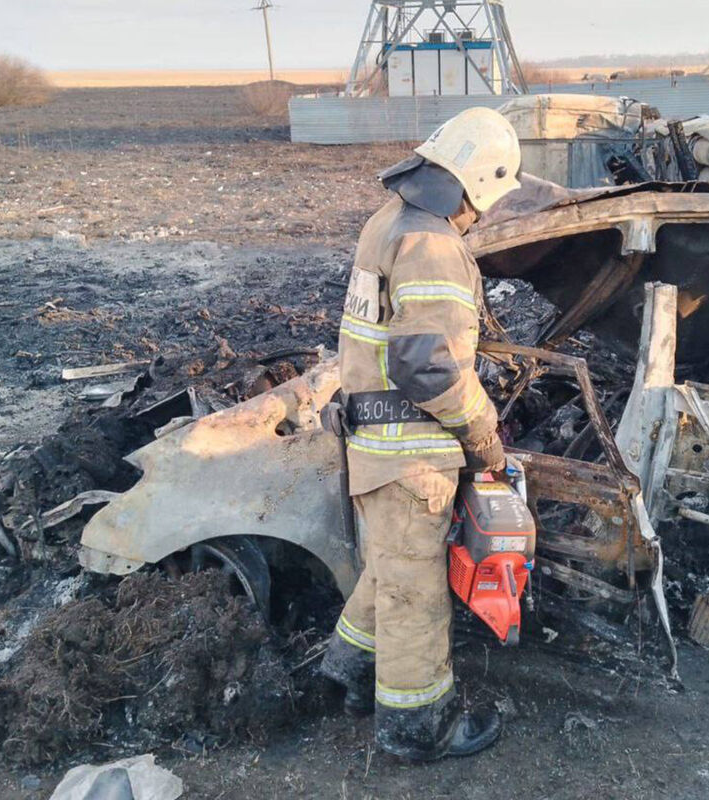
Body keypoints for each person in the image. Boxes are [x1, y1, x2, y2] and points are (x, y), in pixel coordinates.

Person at [319, 107, 522, 761]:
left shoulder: (388, 222)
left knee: (389, 569)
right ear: (480, 182)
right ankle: (417, 728)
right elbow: (426, 364)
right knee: (415, 595)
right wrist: (483, 433)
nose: (481, 216)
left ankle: (349, 670)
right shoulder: (432, 242)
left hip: (373, 444)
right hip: (410, 457)